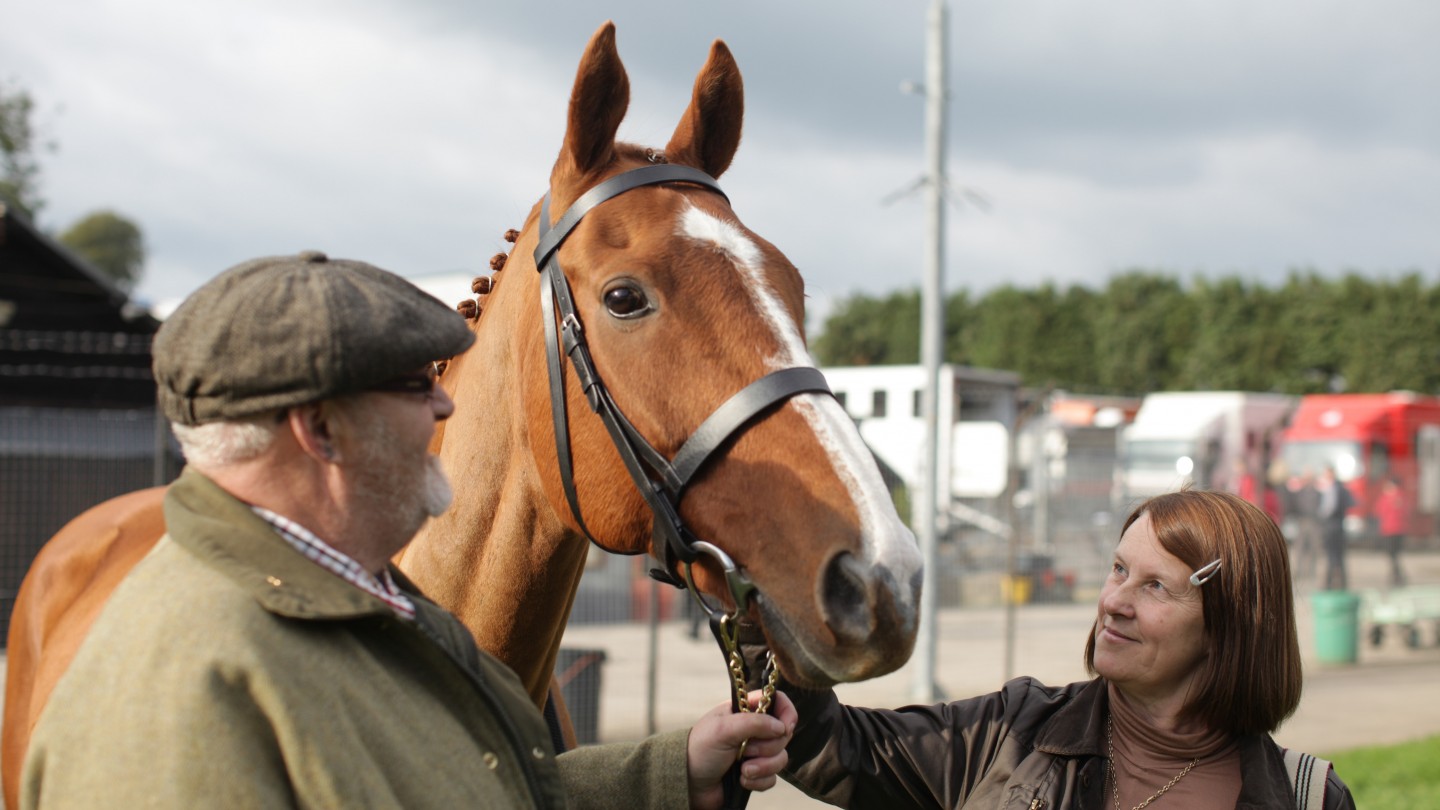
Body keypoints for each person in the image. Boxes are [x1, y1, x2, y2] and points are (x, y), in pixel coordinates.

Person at [20, 252, 794, 809]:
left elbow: (444, 784)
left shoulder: (359, 589)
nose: (446, 408)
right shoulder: (181, 687)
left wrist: (670, 775)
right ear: (320, 428)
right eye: (413, 385)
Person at [773, 489, 1355, 809]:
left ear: (1232, 625)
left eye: (1155, 587)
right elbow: (831, 747)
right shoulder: (1011, 736)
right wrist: (771, 592)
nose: (1114, 602)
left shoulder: (1308, 798)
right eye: (1119, 570)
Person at [1316, 466, 1355, 591]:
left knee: (1332, 556)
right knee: (1339, 557)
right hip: (1339, 526)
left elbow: (1328, 509)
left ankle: (1330, 583)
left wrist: (1320, 516)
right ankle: (1341, 583)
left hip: (1332, 526)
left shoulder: (1332, 490)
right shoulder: (1342, 489)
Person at [1285, 468, 1322, 582]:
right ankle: (1300, 570)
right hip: (1301, 521)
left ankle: (1311, 570)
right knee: (1299, 547)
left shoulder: (1318, 493)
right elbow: (1293, 505)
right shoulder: (1298, 493)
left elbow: (1321, 507)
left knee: (1313, 547)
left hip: (1313, 522)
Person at [1374, 475, 1409, 588]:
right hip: (1395, 529)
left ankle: (1397, 575)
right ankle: (1396, 575)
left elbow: (1380, 510)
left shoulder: (1394, 497)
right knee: (1393, 554)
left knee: (1393, 554)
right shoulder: (1398, 496)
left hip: (1391, 529)